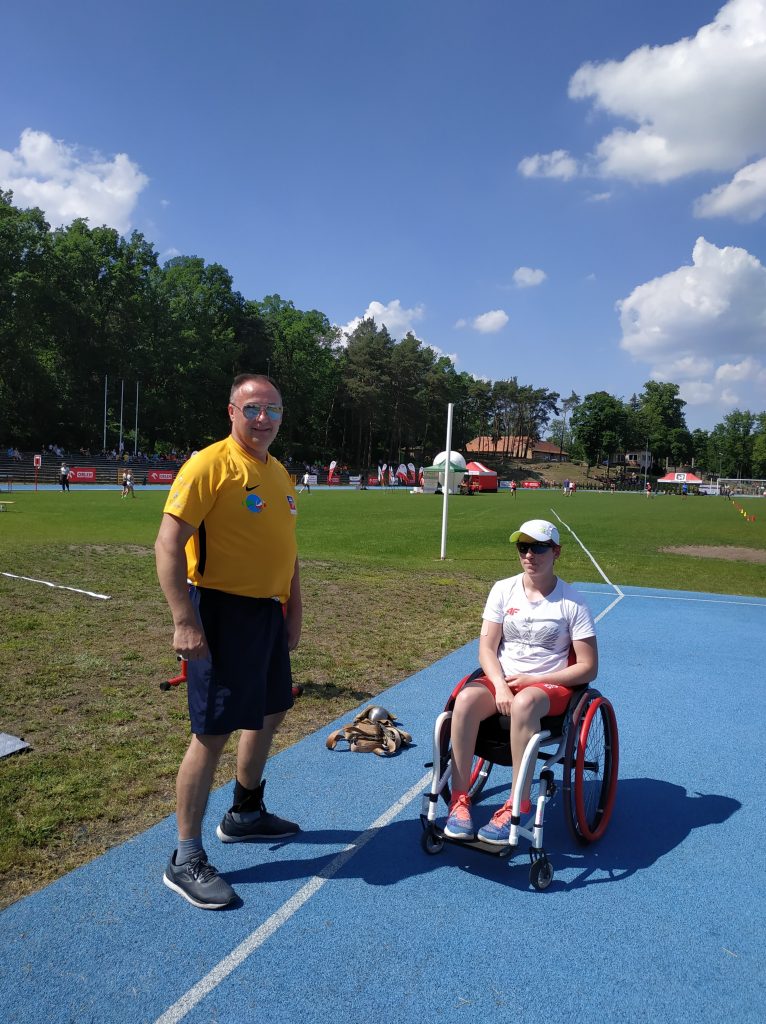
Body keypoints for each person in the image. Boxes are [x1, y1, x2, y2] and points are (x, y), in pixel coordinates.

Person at [155, 373, 302, 910]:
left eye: (273, 410)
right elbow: (168, 543)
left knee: (268, 711)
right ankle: (184, 856)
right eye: (253, 409)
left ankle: (244, 812)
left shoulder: (279, 471)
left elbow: (288, 549)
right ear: (232, 412)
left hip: (266, 612)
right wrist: (183, 621)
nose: (264, 419)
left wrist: (293, 609)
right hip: (217, 610)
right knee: (212, 731)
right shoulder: (209, 464)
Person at [444, 518, 598, 845]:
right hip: (505, 679)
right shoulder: (503, 589)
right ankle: (459, 801)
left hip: (548, 686)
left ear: (556, 552)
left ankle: (518, 803)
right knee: (466, 700)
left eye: (539, 547)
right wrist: (499, 685)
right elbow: (486, 648)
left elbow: (588, 667)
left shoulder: (574, 602)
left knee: (525, 702)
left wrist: (535, 679)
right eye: (523, 547)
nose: (530, 555)